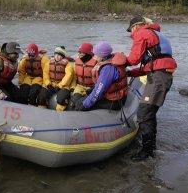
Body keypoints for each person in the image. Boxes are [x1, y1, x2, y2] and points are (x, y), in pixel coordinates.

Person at [125, 15, 177, 161]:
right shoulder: (156, 34)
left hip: (158, 79)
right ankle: (151, 148)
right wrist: (129, 72)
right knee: (150, 112)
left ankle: (146, 151)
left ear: (136, 26)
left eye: (131, 29)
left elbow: (133, 59)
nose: (131, 33)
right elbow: (152, 65)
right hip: (161, 76)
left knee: (144, 112)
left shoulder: (142, 33)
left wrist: (119, 61)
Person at [74, 41, 128, 111]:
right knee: (82, 100)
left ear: (102, 56)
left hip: (114, 101)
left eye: (95, 55)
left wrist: (85, 105)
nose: (94, 57)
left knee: (80, 105)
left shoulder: (108, 69)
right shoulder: (110, 60)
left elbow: (99, 91)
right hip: (110, 96)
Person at [37, 46, 74, 111]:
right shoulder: (49, 62)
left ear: (62, 56)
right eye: (56, 54)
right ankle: (42, 111)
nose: (57, 56)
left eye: (59, 55)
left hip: (63, 86)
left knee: (61, 99)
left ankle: (59, 112)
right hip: (51, 84)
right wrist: (48, 83)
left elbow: (68, 76)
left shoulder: (68, 65)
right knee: (41, 97)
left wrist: (60, 85)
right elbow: (45, 74)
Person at [69, 42, 97, 110]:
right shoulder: (77, 62)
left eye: (81, 53)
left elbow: (98, 80)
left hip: (91, 88)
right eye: (79, 52)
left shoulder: (96, 64)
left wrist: (93, 89)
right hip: (80, 87)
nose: (79, 54)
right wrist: (73, 87)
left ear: (88, 54)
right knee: (73, 101)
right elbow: (75, 77)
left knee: (84, 104)